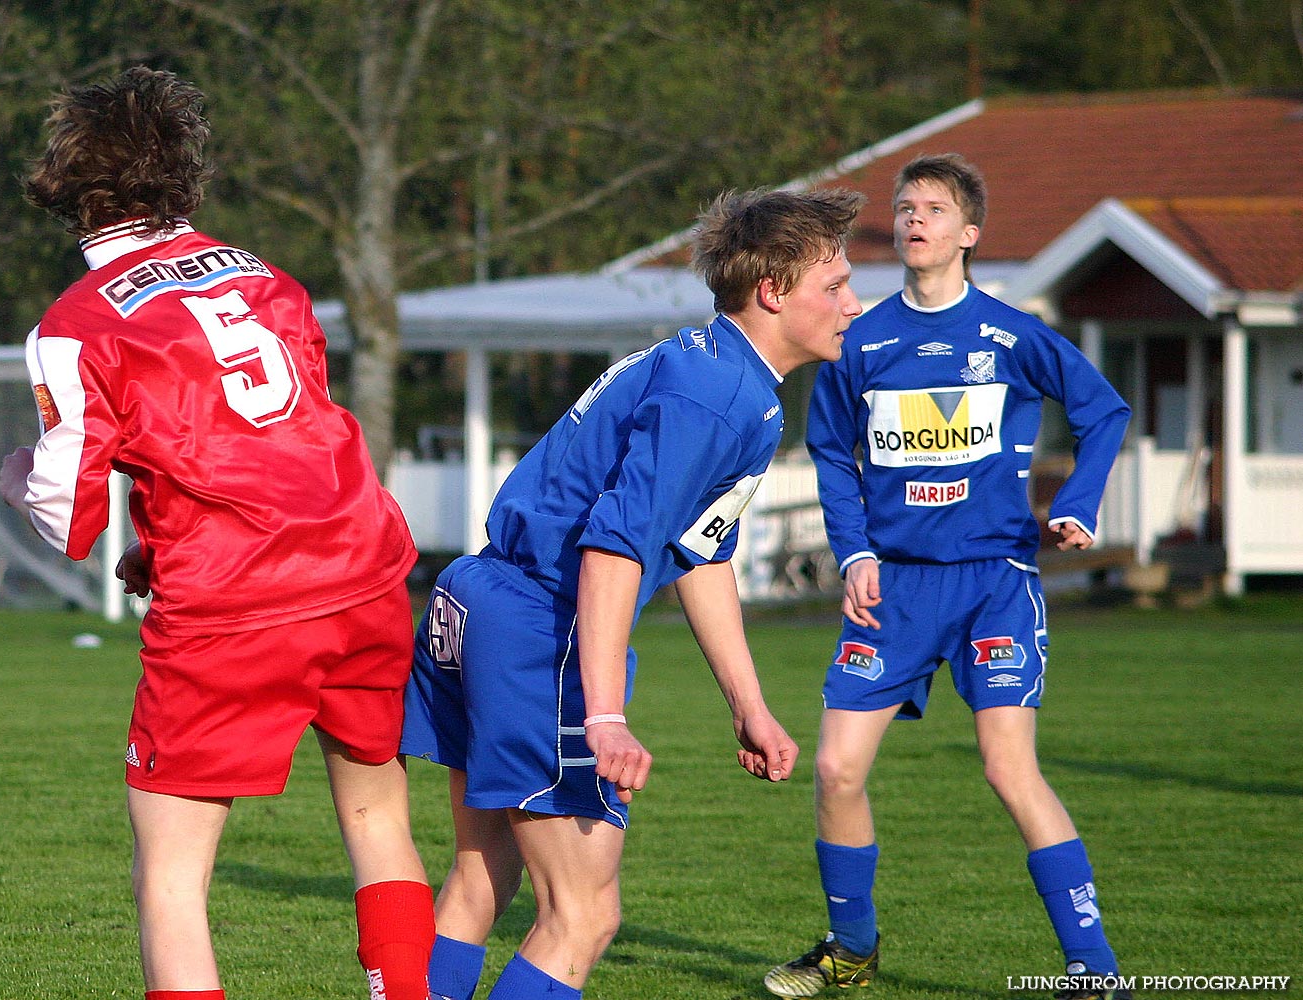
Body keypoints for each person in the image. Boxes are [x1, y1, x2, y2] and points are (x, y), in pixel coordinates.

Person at [0, 67, 433, 1000]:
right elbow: (274, 444)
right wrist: (159, 543)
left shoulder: (74, 325)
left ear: (68, 185)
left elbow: (63, 515)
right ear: (184, 174)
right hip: (363, 572)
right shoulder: (268, 276)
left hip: (234, 610)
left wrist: (12, 480)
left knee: (172, 875)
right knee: (377, 820)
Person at [401, 186, 866, 1000]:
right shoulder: (721, 397)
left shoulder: (715, 367)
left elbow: (698, 552)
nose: (852, 305)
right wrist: (605, 714)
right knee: (583, 915)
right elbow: (614, 546)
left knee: (482, 883)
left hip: (476, 600)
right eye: (834, 287)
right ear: (773, 292)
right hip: (537, 626)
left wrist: (747, 703)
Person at [764, 154, 1133, 1000]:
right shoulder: (862, 340)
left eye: (933, 208)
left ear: (969, 235)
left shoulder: (1011, 334)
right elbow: (829, 451)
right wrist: (854, 552)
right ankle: (851, 951)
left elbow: (1104, 408)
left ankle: (1095, 971)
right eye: (904, 208)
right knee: (834, 771)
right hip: (894, 587)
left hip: (993, 580)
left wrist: (1076, 501)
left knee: (1009, 770)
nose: (913, 219)